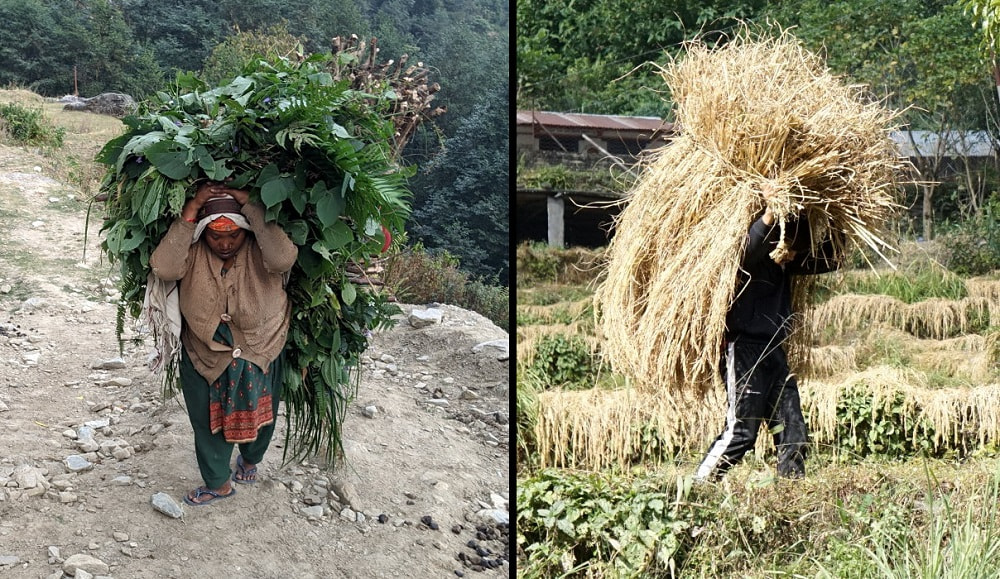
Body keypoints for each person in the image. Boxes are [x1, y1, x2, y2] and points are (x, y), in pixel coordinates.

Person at [150, 180, 298, 505]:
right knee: (205, 419)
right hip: (206, 352)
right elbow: (163, 267)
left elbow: (284, 258)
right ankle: (218, 482)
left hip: (260, 346)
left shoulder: (261, 251)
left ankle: (250, 459)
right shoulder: (193, 252)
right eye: (216, 235)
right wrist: (191, 210)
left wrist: (251, 206)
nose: (225, 243)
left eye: (234, 234)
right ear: (203, 232)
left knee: (262, 410)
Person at [694, 185, 839, 482]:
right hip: (744, 349)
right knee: (742, 433)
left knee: (793, 431)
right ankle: (698, 487)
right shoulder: (741, 248)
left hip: (775, 350)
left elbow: (830, 259)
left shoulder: (784, 254)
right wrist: (770, 213)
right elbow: (744, 253)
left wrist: (837, 215)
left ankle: (791, 492)